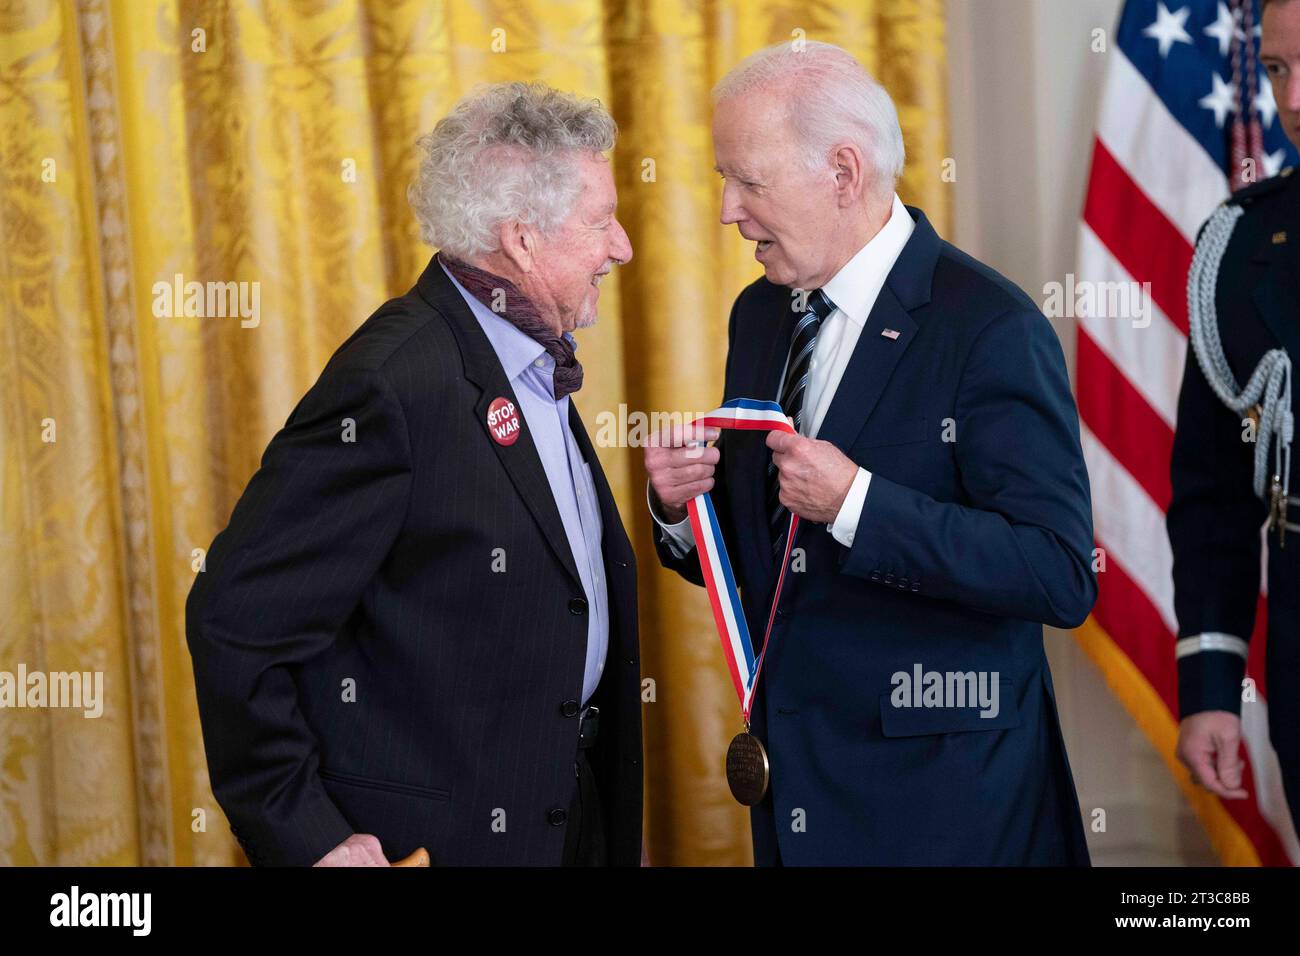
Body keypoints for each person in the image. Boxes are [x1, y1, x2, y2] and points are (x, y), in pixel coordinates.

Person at [645, 41, 1097, 865]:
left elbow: (1059, 572)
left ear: (844, 173)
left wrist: (859, 503)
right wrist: (683, 511)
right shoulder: (761, 313)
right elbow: (774, 559)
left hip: (945, 807)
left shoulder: (990, 327)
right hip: (796, 789)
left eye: (748, 180)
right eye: (723, 180)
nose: (726, 211)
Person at [186, 82, 641, 866]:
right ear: (522, 240)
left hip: (567, 821)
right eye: (601, 222)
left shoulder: (523, 349)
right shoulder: (393, 382)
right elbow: (233, 623)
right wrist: (312, 840)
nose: (622, 246)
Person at [1171, 0, 1300, 836]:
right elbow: (1216, 493)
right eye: (1282, 70)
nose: (1295, 100)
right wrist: (1213, 687)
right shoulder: (1243, 244)